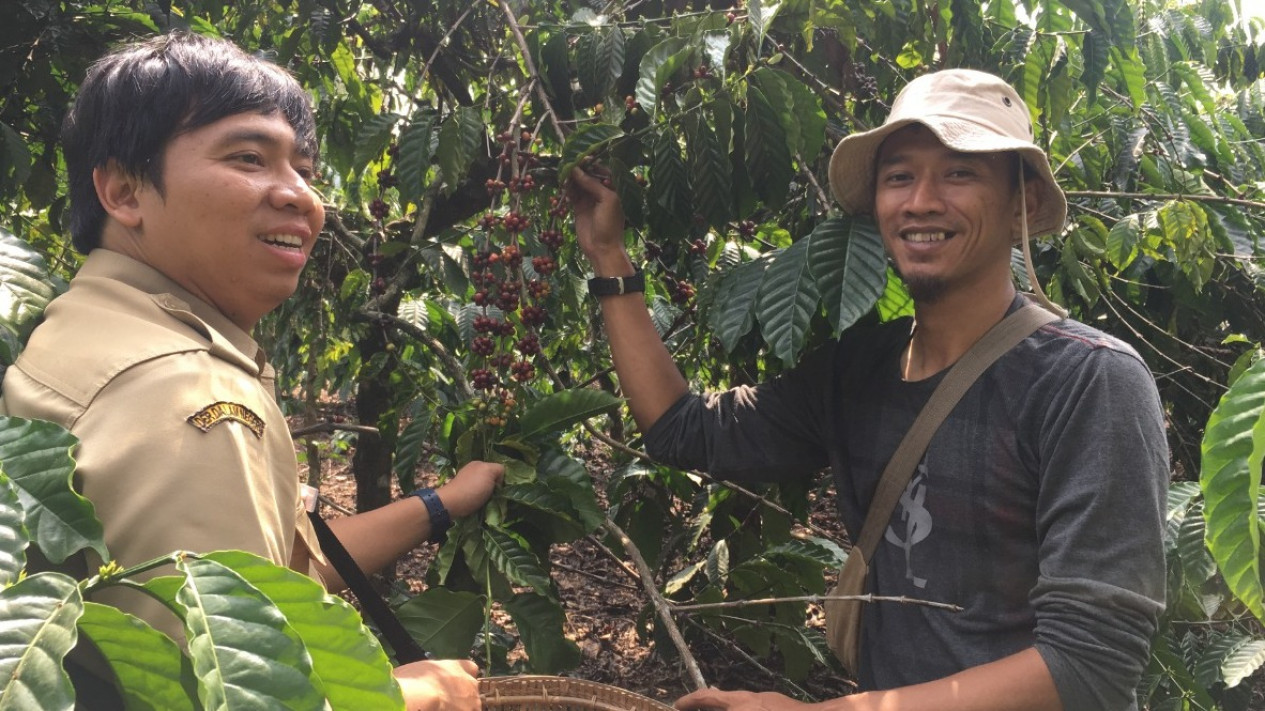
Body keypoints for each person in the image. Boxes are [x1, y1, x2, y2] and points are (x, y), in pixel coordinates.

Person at [568, 69, 1167, 711]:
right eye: (899, 176)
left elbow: (1090, 665)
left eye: (959, 172)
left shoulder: (1088, 382)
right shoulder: (858, 369)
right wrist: (608, 257)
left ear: (1021, 200)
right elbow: (682, 430)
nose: (921, 201)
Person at [0, 32, 502, 711]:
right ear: (123, 191)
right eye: (248, 157)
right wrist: (409, 697)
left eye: (304, 168)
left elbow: (270, 579)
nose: (300, 196)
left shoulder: (89, 325)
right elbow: (234, 693)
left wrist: (444, 503)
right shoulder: (185, 393)